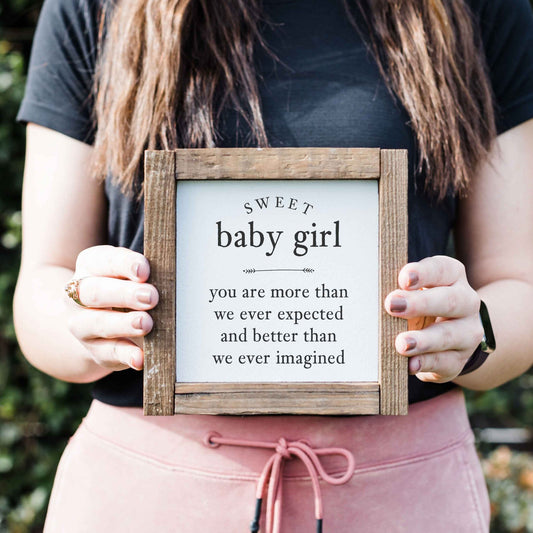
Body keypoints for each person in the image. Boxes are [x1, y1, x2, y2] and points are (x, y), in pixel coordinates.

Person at [13, 0, 533, 531]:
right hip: (145, 498)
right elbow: (43, 284)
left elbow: (517, 286)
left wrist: (475, 332)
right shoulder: (95, 7)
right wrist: (89, 323)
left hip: (402, 498)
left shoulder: (479, 9)